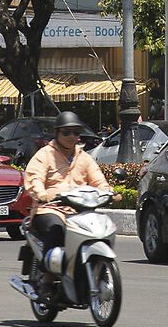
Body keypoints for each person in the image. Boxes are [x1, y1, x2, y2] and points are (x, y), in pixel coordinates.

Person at [20, 112, 110, 263]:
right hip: (50, 209)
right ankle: (48, 278)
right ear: (56, 133)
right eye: (66, 132)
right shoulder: (45, 155)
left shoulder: (84, 157)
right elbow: (35, 177)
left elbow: (98, 180)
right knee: (56, 230)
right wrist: (41, 194)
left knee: (100, 231)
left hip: (79, 211)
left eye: (76, 132)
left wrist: (108, 193)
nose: (72, 136)